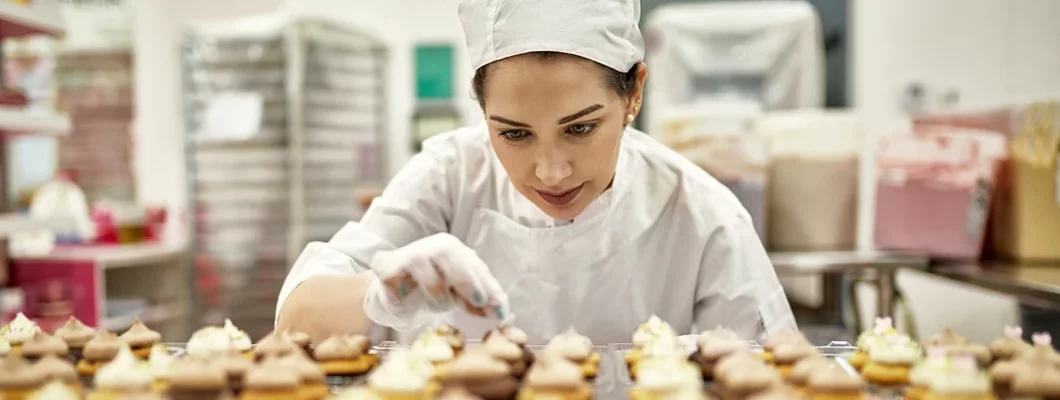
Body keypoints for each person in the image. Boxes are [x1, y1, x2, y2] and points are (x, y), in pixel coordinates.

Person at [276, 0, 796, 345]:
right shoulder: (450, 177)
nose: (551, 172)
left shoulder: (705, 218)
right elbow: (295, 321)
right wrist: (376, 293)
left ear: (634, 91)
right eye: (514, 134)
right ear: (482, 111)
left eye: (581, 129)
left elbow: (768, 371)